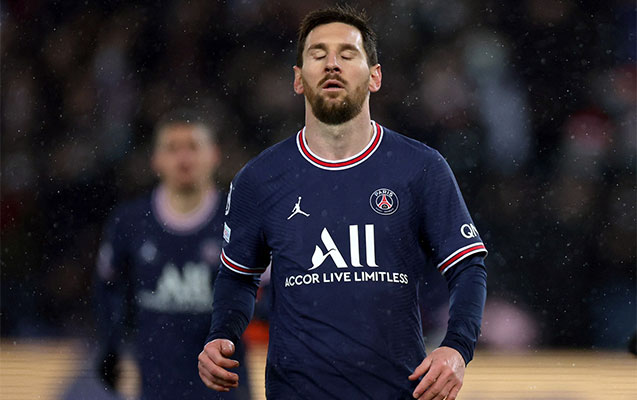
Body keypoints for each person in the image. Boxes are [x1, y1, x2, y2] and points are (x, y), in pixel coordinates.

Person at [198, 6, 488, 400]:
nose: (332, 64)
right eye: (318, 54)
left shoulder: (420, 168)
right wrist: (221, 334)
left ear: (375, 76)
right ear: (298, 79)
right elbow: (237, 277)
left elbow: (467, 266)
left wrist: (457, 347)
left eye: (347, 54)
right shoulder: (259, 179)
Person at [94, 109, 251, 400]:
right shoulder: (130, 222)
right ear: (155, 159)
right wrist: (111, 346)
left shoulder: (241, 222)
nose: (183, 158)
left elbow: (271, 298)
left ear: (214, 154)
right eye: (172, 148)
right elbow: (109, 290)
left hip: (226, 390)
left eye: (193, 146)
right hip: (155, 386)